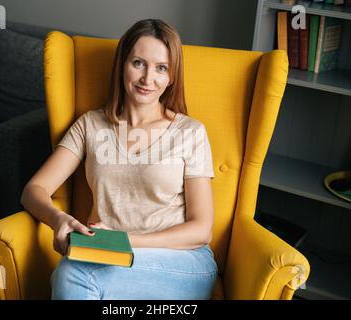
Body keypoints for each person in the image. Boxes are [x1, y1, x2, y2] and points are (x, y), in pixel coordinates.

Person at [20, 18, 218, 300]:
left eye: (161, 68)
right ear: (122, 65)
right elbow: (33, 191)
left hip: (182, 262)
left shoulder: (190, 132)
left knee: (73, 273)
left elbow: (201, 229)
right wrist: (58, 219)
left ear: (172, 76)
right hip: (107, 256)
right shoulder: (90, 125)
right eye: (138, 63)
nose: (147, 79)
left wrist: (125, 241)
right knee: (74, 274)